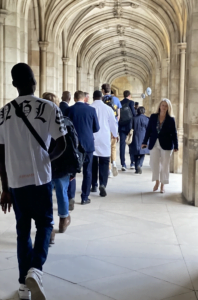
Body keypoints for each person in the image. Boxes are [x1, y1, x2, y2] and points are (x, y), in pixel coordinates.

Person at [0, 63, 66, 300]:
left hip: (16, 182)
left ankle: (22, 286)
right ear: (34, 81)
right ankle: (36, 270)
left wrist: (4, 189)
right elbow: (62, 144)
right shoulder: (49, 107)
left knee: (22, 231)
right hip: (40, 179)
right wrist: (46, 159)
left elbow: (1, 155)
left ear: (14, 84)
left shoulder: (3, 112)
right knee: (46, 224)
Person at [43, 92, 71, 234]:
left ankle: (50, 229)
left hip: (43, 164)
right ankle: (63, 220)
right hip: (60, 164)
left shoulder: (37, 123)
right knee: (62, 193)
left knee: (46, 196)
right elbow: (70, 147)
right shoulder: (64, 121)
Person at [67, 91, 100, 204]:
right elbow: (96, 128)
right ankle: (84, 197)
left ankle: (71, 197)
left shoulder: (70, 110)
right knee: (88, 171)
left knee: (72, 171)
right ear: (84, 98)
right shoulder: (91, 110)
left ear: (75, 98)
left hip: (73, 145)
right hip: (88, 144)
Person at [142, 98, 178, 193]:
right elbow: (148, 130)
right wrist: (144, 142)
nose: (164, 107)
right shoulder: (153, 116)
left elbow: (174, 133)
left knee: (165, 165)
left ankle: (163, 185)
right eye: (163, 105)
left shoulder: (171, 119)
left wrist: (176, 145)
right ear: (159, 106)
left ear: (168, 107)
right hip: (154, 143)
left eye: (166, 106)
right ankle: (157, 181)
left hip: (166, 144)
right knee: (154, 163)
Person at [90, 91, 118, 197]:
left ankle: (94, 185)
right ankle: (103, 184)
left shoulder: (90, 108)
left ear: (93, 98)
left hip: (92, 139)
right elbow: (113, 123)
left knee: (93, 164)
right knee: (104, 163)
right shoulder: (108, 109)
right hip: (104, 139)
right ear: (102, 97)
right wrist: (115, 134)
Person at [59, 91, 75, 211]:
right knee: (63, 184)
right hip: (63, 151)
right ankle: (64, 215)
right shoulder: (68, 110)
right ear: (70, 98)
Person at [102, 83, 121, 177]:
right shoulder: (116, 100)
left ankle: (108, 170)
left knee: (106, 148)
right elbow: (118, 116)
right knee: (113, 147)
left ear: (102, 90)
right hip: (113, 127)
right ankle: (114, 162)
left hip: (104, 128)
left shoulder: (101, 100)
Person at [119, 90, 136, 171]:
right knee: (131, 144)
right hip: (129, 126)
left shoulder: (120, 102)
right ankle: (132, 162)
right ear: (129, 95)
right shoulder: (131, 102)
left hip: (121, 126)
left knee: (122, 146)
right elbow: (133, 114)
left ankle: (123, 164)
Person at [130, 107, 149, 174]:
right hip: (144, 138)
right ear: (144, 112)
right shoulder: (146, 119)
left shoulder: (134, 119)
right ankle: (139, 165)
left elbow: (130, 128)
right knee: (142, 153)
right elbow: (149, 129)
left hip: (135, 137)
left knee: (135, 153)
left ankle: (136, 168)